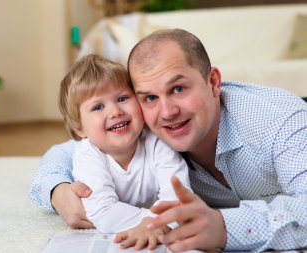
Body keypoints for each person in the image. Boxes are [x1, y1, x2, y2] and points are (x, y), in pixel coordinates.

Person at [29, 29, 307, 252]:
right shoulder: (145, 128)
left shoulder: (280, 122)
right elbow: (63, 154)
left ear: (212, 82)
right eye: (149, 97)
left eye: (178, 88)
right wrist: (57, 190)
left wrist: (223, 227)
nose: (167, 112)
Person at [54, 54, 191, 250]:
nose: (115, 111)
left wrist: (156, 222)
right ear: (80, 128)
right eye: (98, 106)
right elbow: (103, 213)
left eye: (122, 98)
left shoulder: (157, 141)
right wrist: (154, 222)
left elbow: (178, 196)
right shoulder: (87, 154)